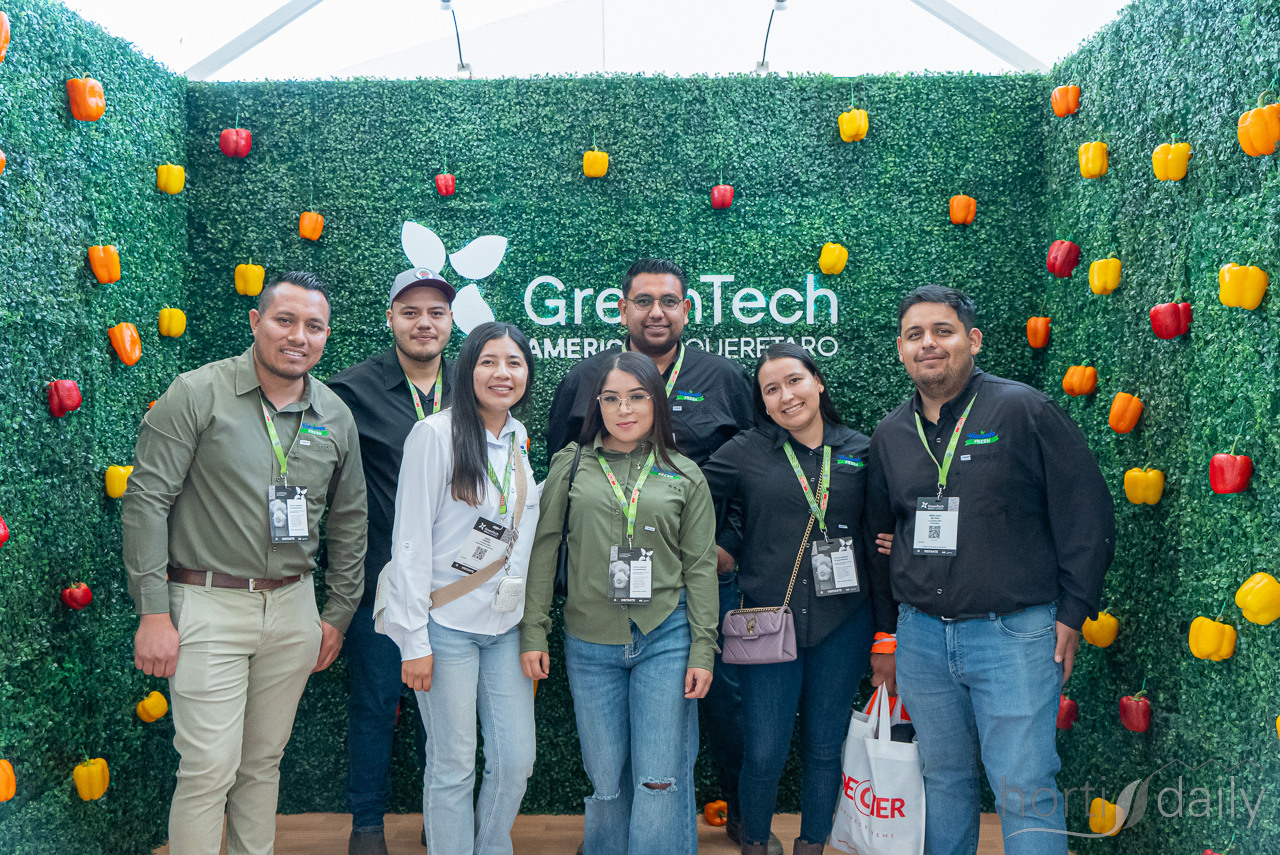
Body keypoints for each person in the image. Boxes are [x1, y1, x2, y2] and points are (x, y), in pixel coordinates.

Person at [865, 285, 1115, 855]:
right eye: (914, 335)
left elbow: (1087, 511)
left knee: (1023, 787)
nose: (928, 344)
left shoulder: (1023, 410)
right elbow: (883, 536)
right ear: (901, 350)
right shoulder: (890, 435)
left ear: (972, 340)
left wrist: (1074, 611)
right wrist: (890, 633)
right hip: (921, 639)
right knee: (943, 782)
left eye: (943, 331)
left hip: (1014, 636)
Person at [123, 271, 367, 855]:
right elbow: (146, 501)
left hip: (294, 609)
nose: (298, 336)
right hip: (207, 604)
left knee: (262, 763)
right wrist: (153, 612)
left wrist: (336, 613)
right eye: (285, 320)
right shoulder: (197, 393)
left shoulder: (335, 415)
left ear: (326, 335)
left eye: (314, 326)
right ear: (256, 322)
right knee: (209, 767)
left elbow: (350, 519)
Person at [546, 258, 765, 850]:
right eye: (643, 301)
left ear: (686, 310)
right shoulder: (586, 377)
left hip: (700, 575)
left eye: (669, 301)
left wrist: (727, 546)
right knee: (618, 749)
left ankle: (736, 810)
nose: (656, 312)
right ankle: (620, 834)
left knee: (717, 703)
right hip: (602, 599)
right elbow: (561, 485)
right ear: (622, 309)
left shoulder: (723, 377)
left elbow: (756, 465)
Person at [522, 352, 719, 855]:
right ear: (597, 405)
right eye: (610, 399)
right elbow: (544, 549)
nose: (623, 409)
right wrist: (533, 631)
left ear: (657, 403)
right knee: (606, 779)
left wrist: (703, 648)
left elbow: (700, 567)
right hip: (590, 642)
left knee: (658, 778)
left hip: (666, 636)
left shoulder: (684, 472)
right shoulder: (571, 464)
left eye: (636, 397)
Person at [702, 343, 895, 855]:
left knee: (824, 748)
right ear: (763, 404)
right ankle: (755, 844)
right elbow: (687, 492)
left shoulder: (862, 450)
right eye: (772, 390)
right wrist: (716, 551)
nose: (786, 396)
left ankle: (813, 845)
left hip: (844, 623)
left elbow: (886, 524)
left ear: (818, 382)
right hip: (766, 622)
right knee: (764, 751)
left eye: (794, 381)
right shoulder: (746, 451)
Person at [375, 321, 540, 855]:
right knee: (453, 764)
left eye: (514, 362)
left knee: (516, 759)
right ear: (467, 369)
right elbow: (409, 542)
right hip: (443, 625)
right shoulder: (435, 435)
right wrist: (413, 641)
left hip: (504, 626)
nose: (502, 373)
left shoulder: (518, 437)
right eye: (489, 361)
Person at [327, 266, 457, 855]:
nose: (423, 323)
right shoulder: (350, 391)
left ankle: (441, 822)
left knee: (446, 715)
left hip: (454, 589)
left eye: (435, 313)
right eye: (410, 312)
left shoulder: (474, 384)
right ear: (390, 319)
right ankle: (367, 826)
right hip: (378, 585)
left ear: (450, 321)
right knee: (376, 705)